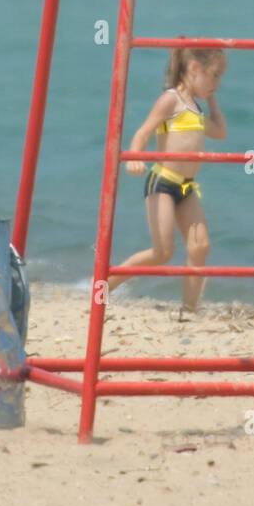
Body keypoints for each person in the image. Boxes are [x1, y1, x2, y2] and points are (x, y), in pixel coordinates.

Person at [104, 43, 227, 317]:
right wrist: (136, 156)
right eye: (215, 75)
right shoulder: (171, 100)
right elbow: (143, 132)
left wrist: (212, 99)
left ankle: (190, 310)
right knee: (162, 253)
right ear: (194, 68)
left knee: (200, 246)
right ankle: (101, 290)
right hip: (162, 182)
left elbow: (220, 132)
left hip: (186, 188)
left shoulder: (195, 109)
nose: (218, 82)